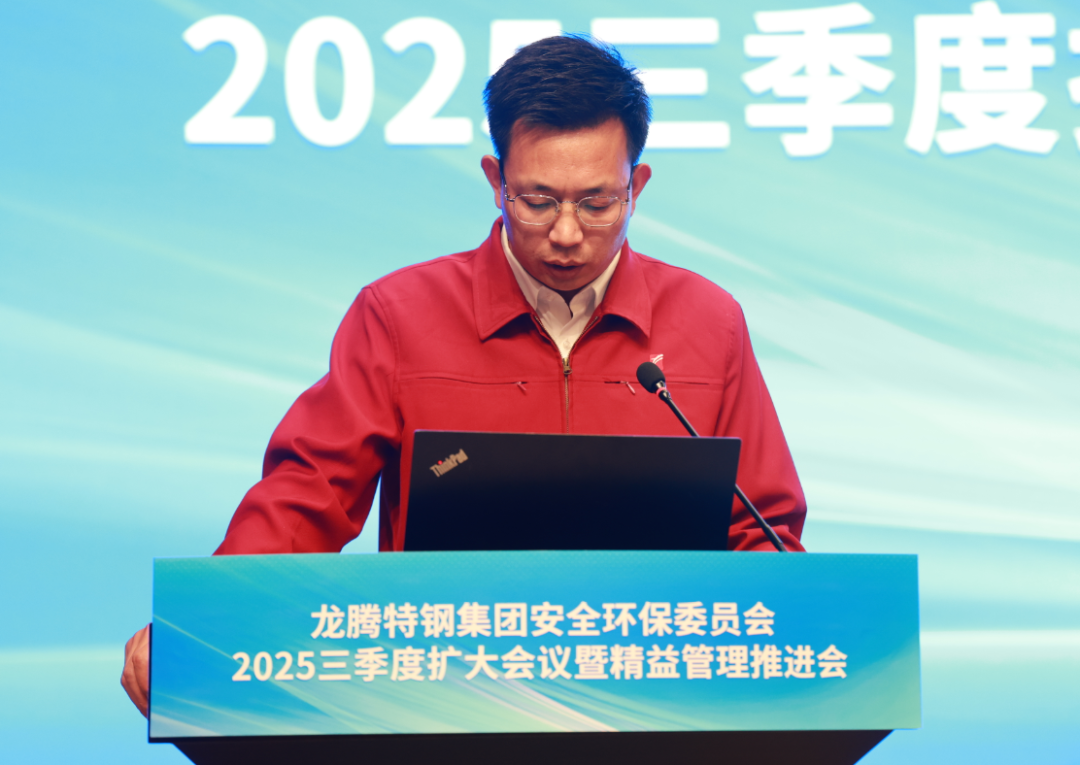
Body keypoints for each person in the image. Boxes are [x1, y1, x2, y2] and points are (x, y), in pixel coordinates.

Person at [122, 34, 806, 716]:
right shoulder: (399, 315)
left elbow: (762, 530)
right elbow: (309, 494)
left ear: (639, 186)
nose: (567, 233)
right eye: (538, 200)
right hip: (445, 701)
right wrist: (207, 619)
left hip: (656, 701)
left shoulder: (709, 322)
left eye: (598, 203)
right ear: (495, 179)